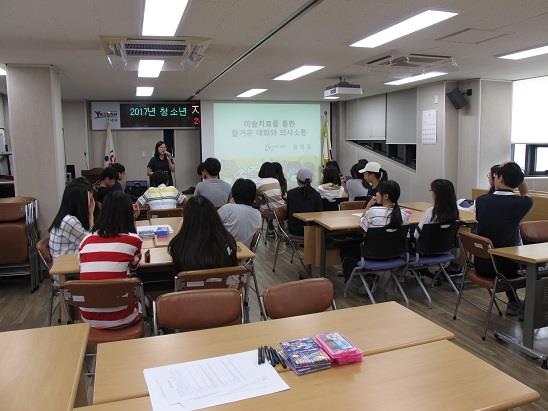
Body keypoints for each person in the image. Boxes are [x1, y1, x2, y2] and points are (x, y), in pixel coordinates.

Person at [475, 161, 532, 315]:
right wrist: (517, 175)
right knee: (533, 269)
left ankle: (514, 303)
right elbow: (525, 192)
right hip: (507, 269)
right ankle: (520, 307)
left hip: (481, 264)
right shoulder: (523, 203)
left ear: (498, 178)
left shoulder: (481, 201)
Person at [78, 191, 142, 329]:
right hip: (123, 318)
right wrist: (133, 224)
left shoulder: (86, 240)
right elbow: (135, 266)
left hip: (89, 320)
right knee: (145, 296)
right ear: (128, 213)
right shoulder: (133, 240)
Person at [342, 180, 408, 281]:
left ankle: (359, 277)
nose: (376, 194)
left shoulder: (373, 212)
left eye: (378, 192)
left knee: (347, 247)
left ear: (385, 196)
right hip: (395, 255)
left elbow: (361, 227)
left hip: (372, 255)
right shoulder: (403, 215)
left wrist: (368, 207)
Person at [169, 196, 238, 272]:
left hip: (192, 283)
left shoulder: (178, 246)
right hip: (222, 283)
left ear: (186, 220)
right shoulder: (228, 242)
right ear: (214, 216)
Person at [49, 181, 94, 260]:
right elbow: (91, 241)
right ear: (80, 200)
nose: (91, 202)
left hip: (70, 262)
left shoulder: (67, 217)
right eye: (89, 199)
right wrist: (91, 214)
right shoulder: (69, 221)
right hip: (65, 268)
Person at [218, 179, 262, 247]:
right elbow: (254, 241)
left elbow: (212, 226)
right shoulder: (257, 213)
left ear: (234, 194)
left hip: (225, 253)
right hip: (245, 254)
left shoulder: (227, 208)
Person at [286, 168, 323, 236]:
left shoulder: (290, 193)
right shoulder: (316, 194)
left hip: (294, 229)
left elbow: (288, 214)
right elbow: (320, 214)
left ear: (297, 180)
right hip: (312, 230)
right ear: (311, 180)